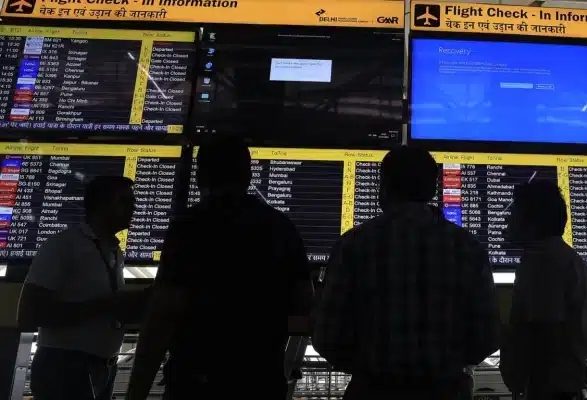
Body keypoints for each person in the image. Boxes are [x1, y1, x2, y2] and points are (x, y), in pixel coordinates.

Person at [125, 136, 312, 400]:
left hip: (197, 381)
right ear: (248, 176)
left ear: (199, 177)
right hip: (261, 380)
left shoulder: (189, 226)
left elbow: (164, 313)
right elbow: (304, 299)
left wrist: (136, 392)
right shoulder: (282, 227)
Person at [313, 146, 500, 400]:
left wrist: (367, 367)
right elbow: (488, 336)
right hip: (445, 390)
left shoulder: (353, 245)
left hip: (373, 390)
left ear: (384, 187)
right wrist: (449, 366)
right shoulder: (469, 248)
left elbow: (327, 336)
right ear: (433, 190)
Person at [18, 176, 145, 400]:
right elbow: (29, 314)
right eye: (125, 201)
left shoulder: (114, 251)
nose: (134, 208)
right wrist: (106, 306)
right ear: (101, 205)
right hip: (64, 367)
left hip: (103, 366)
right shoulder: (64, 245)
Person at [500, 180, 587, 400]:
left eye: (513, 213)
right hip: (566, 388)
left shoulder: (542, 261)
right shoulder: (571, 260)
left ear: (532, 221)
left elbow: (545, 331)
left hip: (550, 391)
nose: (507, 221)